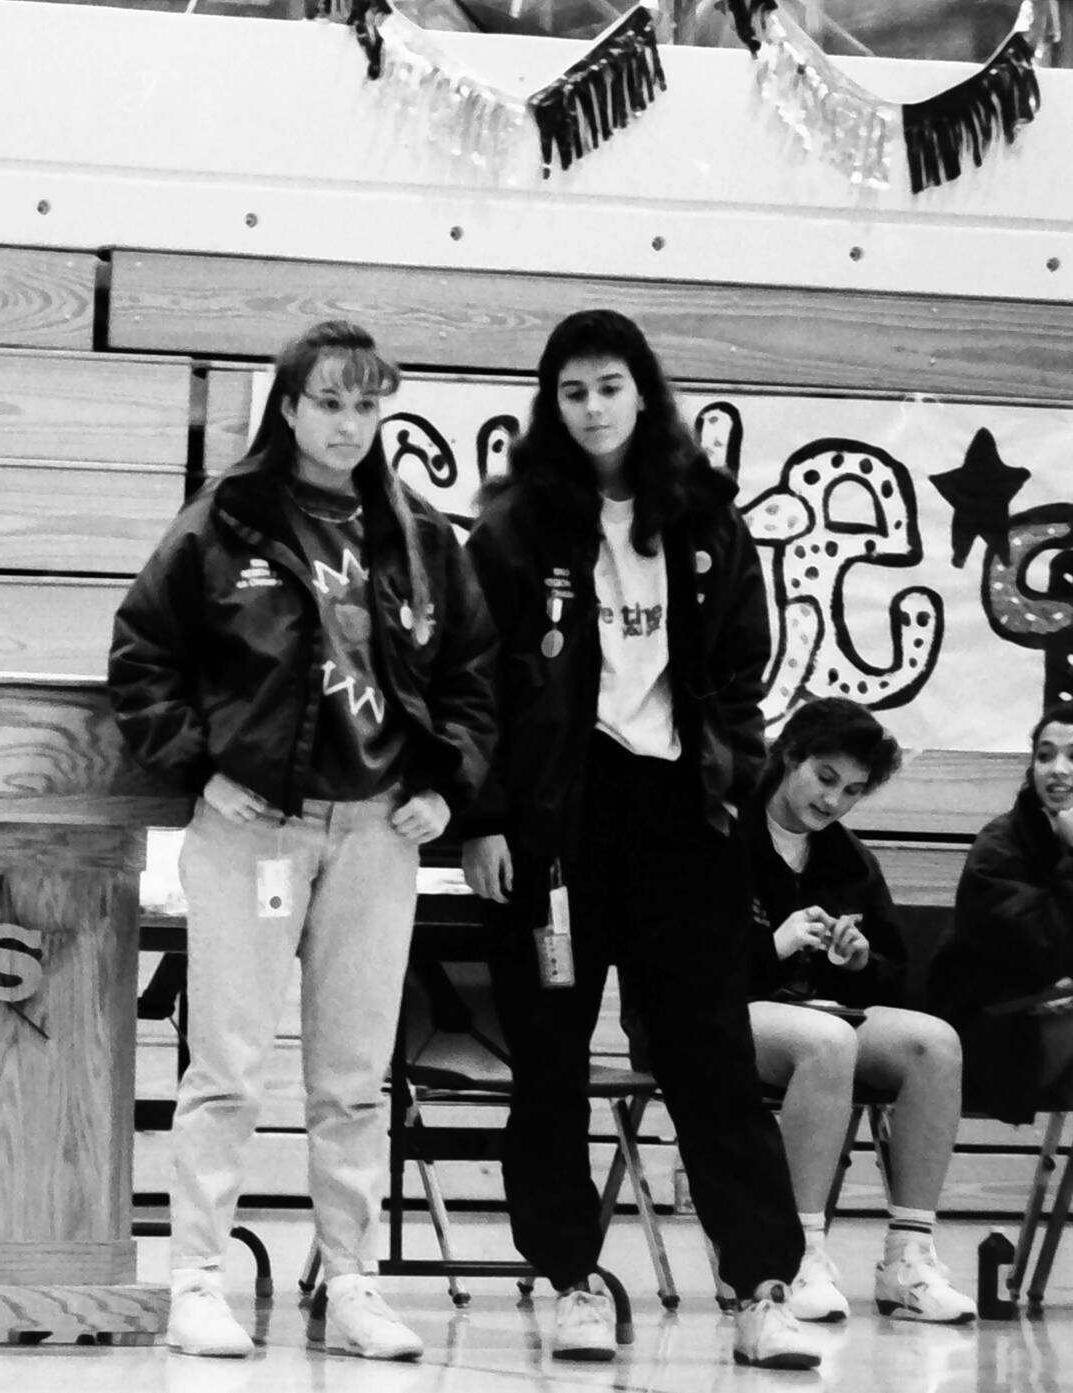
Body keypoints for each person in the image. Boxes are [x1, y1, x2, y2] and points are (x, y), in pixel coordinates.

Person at [109, 320, 495, 1361]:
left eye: (368, 406)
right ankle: (194, 1277)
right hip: (256, 829)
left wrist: (445, 782)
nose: (348, 424)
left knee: (354, 1075)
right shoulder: (223, 522)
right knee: (225, 1062)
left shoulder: (418, 534)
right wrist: (198, 766)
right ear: (287, 407)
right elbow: (142, 655)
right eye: (329, 402)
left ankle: (352, 1279)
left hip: (377, 831)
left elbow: (471, 680)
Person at [458, 309, 818, 1369]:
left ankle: (760, 1287)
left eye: (608, 387)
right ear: (549, 404)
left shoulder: (701, 514)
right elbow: (473, 683)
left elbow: (741, 662)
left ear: (642, 391)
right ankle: (572, 1279)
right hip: (554, 827)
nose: (591, 408)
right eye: (570, 392)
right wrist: (482, 819)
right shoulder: (516, 525)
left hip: (679, 817)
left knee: (707, 1054)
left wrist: (726, 774)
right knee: (552, 1061)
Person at [740, 698, 973, 1324]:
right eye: (825, 778)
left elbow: (895, 982)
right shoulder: (719, 834)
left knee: (935, 1043)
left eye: (853, 791)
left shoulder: (847, 857)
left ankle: (910, 1256)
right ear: (790, 756)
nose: (834, 802)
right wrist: (773, 945)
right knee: (828, 1041)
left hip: (819, 1014)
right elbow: (679, 964)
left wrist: (859, 964)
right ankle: (798, 1254)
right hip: (718, 1012)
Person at [931, 703, 1073, 1129]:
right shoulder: (999, 846)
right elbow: (1042, 949)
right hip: (997, 1025)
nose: (1057, 769)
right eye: (1045, 755)